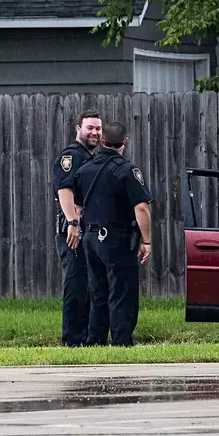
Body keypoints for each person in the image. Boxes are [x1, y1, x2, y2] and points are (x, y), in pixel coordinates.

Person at [70, 121, 154, 347]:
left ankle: (95, 341)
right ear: (124, 143)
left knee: (97, 292)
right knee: (122, 293)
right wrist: (147, 240)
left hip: (90, 238)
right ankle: (121, 342)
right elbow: (142, 208)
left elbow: (78, 208)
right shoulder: (128, 171)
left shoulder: (83, 170)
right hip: (118, 239)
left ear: (103, 142)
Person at [51, 110, 102, 347]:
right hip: (71, 232)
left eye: (98, 129)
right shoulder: (71, 156)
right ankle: (71, 340)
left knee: (89, 285)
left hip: (88, 233)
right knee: (76, 284)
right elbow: (65, 190)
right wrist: (72, 223)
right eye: (89, 127)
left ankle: (86, 338)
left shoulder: (92, 157)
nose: (94, 132)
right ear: (78, 129)